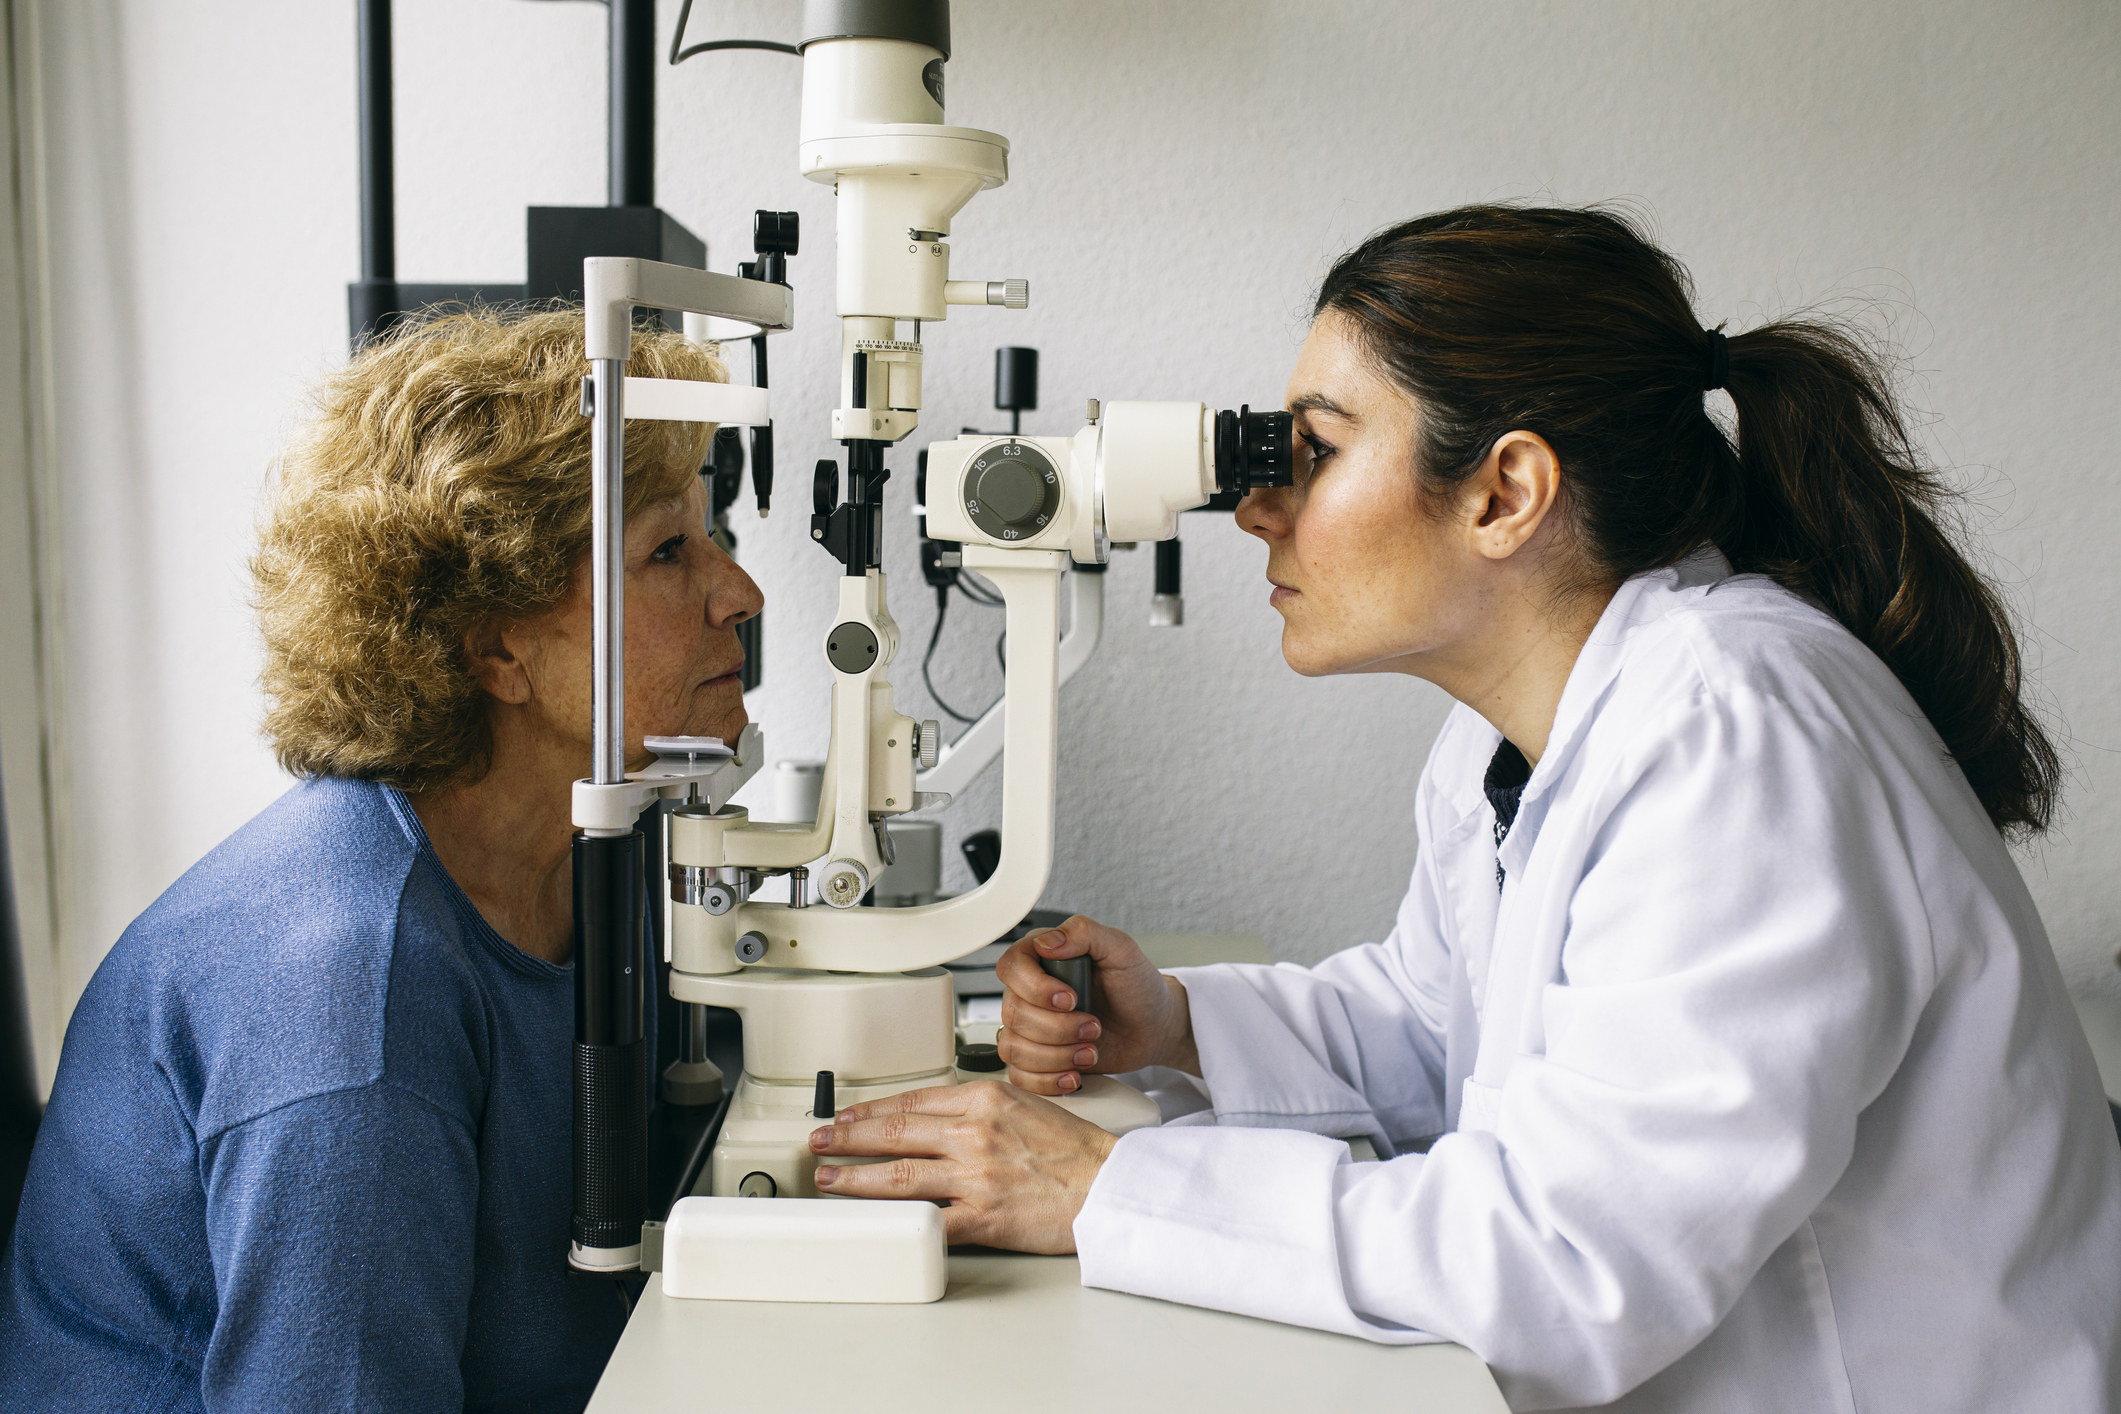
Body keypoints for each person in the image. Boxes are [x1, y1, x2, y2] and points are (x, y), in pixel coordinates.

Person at [803, 206, 2121, 1411]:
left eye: (1310, 451)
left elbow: (1572, 1263)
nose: (1256, 508)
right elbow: (1450, 1031)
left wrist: (1099, 1184)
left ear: (1504, 491)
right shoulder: (1518, 727)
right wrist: (1186, 1021)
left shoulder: (1737, 726)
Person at [0, 308, 761, 1412]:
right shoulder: (354, 991)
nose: (740, 593)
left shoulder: (591, 853)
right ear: (496, 643)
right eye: (667, 551)